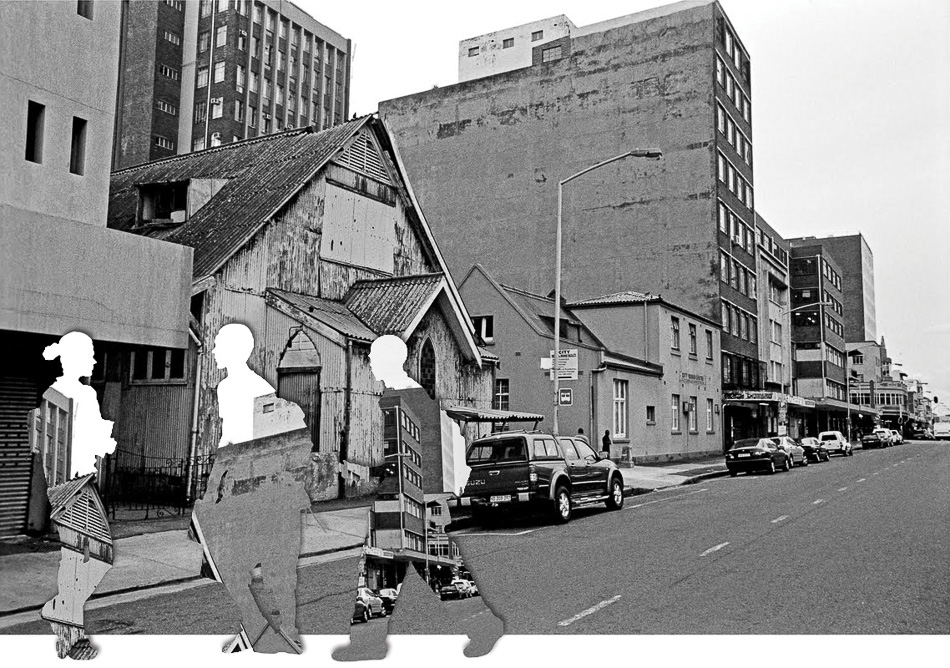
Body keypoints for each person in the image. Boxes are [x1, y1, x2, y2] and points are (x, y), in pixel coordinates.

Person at [332, 335, 503, 661]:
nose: (369, 363)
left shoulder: (403, 396)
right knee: (415, 567)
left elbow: (408, 454)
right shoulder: (406, 393)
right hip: (412, 495)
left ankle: (484, 626)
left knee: (409, 563)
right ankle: (373, 641)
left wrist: (370, 475)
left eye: (373, 358)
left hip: (416, 497)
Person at [192, 323, 309, 654]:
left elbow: (231, 443)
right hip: (278, 490)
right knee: (273, 567)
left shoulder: (232, 387)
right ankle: (281, 631)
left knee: (235, 565)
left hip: (254, 490)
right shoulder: (264, 387)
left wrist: (210, 493)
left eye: (217, 345)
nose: (213, 351)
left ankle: (260, 631)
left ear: (233, 351)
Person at [39, 331, 116, 659]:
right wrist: (103, 443)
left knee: (83, 558)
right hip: (70, 487)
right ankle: (65, 624)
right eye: (91, 355)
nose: (95, 361)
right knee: (88, 557)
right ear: (74, 358)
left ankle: (67, 629)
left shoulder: (77, 393)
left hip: (79, 484)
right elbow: (50, 440)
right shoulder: (65, 394)